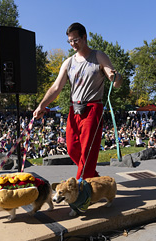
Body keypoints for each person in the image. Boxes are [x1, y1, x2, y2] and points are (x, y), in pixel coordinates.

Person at [33, 23, 123, 179]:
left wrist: (117, 79)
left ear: (84, 37)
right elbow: (56, 87)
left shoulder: (98, 56)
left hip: (93, 107)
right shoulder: (68, 62)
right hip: (74, 108)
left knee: (88, 149)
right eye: (70, 41)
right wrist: (42, 106)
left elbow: (112, 76)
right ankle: (92, 176)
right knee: (72, 147)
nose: (73, 44)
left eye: (76, 40)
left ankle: (81, 187)